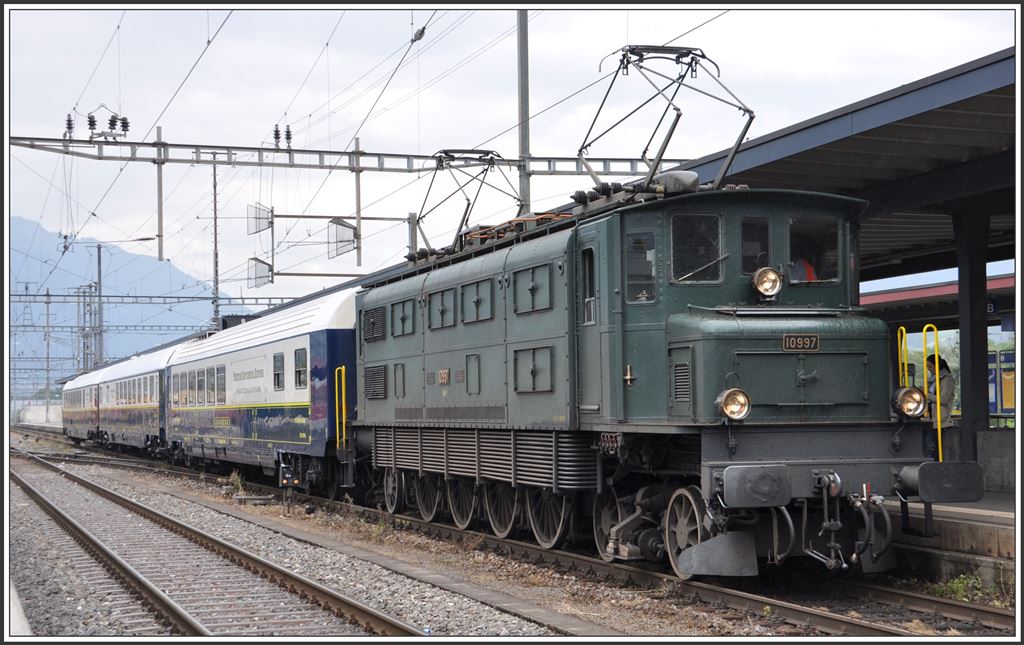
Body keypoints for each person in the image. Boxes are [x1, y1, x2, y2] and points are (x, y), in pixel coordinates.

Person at [925, 356, 955, 428]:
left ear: (937, 366)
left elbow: (943, 400)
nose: (928, 369)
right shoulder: (933, 379)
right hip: (931, 416)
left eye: (930, 366)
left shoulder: (947, 379)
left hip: (941, 419)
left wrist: (926, 393)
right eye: (927, 367)